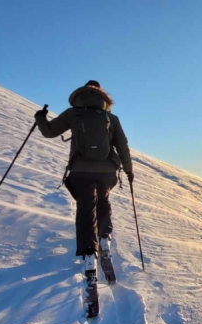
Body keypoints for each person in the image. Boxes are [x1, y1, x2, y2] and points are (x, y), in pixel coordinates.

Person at [34, 80, 133, 283]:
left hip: (80, 169)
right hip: (106, 171)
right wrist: (129, 171)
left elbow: (49, 132)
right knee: (103, 199)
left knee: (86, 206)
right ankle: (104, 238)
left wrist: (40, 117)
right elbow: (122, 146)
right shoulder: (110, 117)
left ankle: (89, 253)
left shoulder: (74, 113)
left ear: (82, 94)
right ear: (102, 97)